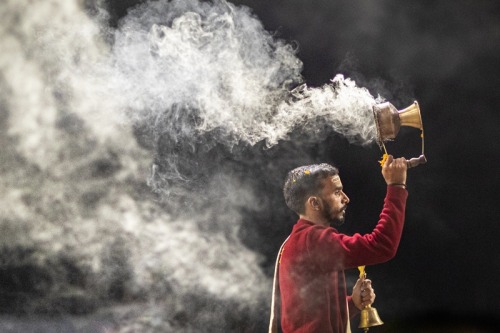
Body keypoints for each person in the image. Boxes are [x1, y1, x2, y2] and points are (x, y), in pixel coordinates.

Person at [269, 155, 408, 333]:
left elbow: (309, 317)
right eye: (336, 192)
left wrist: (353, 304)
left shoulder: (300, 240)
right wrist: (396, 186)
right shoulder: (313, 240)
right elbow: (382, 245)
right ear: (314, 203)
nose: (346, 198)